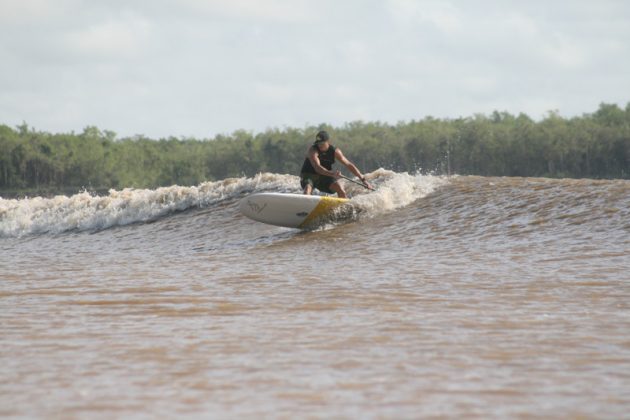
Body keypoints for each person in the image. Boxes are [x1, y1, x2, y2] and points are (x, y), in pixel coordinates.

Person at [300, 130, 372, 198]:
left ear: (328, 142)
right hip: (308, 175)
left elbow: (349, 165)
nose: (319, 145)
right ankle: (305, 208)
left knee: (340, 188)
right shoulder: (313, 150)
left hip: (324, 177)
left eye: (322, 143)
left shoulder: (335, 151)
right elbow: (317, 168)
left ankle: (344, 208)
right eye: (318, 143)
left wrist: (363, 180)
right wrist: (332, 173)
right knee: (307, 189)